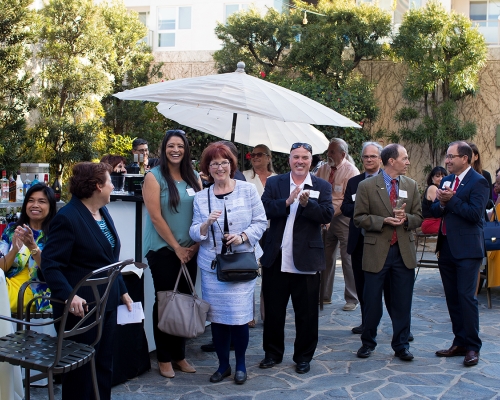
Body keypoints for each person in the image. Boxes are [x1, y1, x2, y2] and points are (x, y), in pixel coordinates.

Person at [41, 162, 133, 400]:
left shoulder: (102, 211)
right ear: (97, 186)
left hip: (106, 302)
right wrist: (70, 295)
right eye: (110, 181)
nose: (113, 186)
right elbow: (51, 265)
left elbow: (110, 258)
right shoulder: (67, 218)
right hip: (80, 310)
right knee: (80, 374)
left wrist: (121, 290)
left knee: (103, 366)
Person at [190, 142, 267, 384]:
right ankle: (223, 365)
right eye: (214, 163)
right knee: (218, 318)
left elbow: (261, 222)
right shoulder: (201, 197)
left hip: (242, 264)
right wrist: (205, 224)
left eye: (224, 162)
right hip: (213, 267)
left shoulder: (247, 190)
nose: (220, 167)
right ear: (208, 168)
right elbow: (194, 232)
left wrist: (242, 236)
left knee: (240, 317)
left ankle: (241, 364)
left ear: (231, 165)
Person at [259, 142, 333, 374]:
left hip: (306, 259)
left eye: (305, 157)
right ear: (289, 159)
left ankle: (303, 357)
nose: (300, 161)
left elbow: (327, 214)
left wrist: (307, 204)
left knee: (307, 313)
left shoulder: (321, 185)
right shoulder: (275, 182)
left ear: (311, 160)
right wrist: (288, 202)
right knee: (273, 311)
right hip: (277, 257)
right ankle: (272, 353)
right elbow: (263, 209)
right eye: (296, 157)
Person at [353, 144, 422, 361]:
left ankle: (401, 345)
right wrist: (383, 221)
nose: (408, 162)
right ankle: (368, 342)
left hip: (403, 253)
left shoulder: (411, 186)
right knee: (372, 301)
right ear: (392, 161)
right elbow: (359, 218)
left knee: (402, 302)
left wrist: (406, 219)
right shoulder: (366, 186)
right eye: (405, 158)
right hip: (377, 252)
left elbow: (419, 217)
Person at [143, 129, 202, 379]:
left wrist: (194, 247)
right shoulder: (153, 177)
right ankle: (164, 357)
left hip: (191, 250)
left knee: (185, 301)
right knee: (167, 302)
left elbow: (202, 212)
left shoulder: (194, 177)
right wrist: (177, 248)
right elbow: (155, 217)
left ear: (186, 149)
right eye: (171, 146)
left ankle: (180, 355)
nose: (175, 150)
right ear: (164, 149)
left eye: (180, 146)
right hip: (164, 250)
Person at [431, 141, 489, 367]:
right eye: (447, 156)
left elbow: (476, 215)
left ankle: (473, 346)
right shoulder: (445, 180)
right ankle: (460, 341)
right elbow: (435, 210)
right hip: (446, 247)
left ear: (465, 158)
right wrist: (444, 203)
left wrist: (451, 200)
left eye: (451, 156)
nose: (447, 160)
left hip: (467, 250)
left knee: (466, 298)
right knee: (452, 298)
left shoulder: (479, 181)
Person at [340, 142, 383, 334]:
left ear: (381, 159)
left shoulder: (388, 181)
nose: (369, 160)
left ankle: (401, 329)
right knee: (362, 285)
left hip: (382, 242)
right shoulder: (354, 182)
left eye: (373, 156)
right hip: (359, 242)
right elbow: (345, 208)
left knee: (386, 288)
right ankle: (367, 323)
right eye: (366, 157)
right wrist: (364, 209)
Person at [315, 138, 360, 309]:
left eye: (332, 151)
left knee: (347, 258)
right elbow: (316, 188)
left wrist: (329, 214)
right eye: (328, 151)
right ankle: (324, 295)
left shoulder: (351, 171)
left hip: (343, 218)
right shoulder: (324, 168)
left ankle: (352, 298)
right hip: (326, 217)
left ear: (343, 154)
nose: (329, 154)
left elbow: (348, 200)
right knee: (325, 257)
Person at [0, 184, 56, 313]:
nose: (35, 205)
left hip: (34, 291)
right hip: (7, 284)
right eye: (31, 200)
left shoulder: (55, 233)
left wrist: (32, 246)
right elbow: (1, 269)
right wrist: (14, 251)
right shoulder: (13, 230)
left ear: (51, 206)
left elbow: (52, 271)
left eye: (41, 201)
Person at [242, 144, 277, 325]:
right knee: (249, 272)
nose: (255, 157)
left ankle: (266, 313)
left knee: (269, 274)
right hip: (250, 230)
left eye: (259, 155)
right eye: (252, 155)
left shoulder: (278, 179)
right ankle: (249, 315)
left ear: (269, 157)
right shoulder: (244, 177)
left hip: (272, 230)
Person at [421, 166, 447, 234]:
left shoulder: (441, 189)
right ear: (432, 178)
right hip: (431, 223)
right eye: (438, 176)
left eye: (443, 176)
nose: (441, 178)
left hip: (439, 221)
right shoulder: (433, 188)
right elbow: (440, 207)